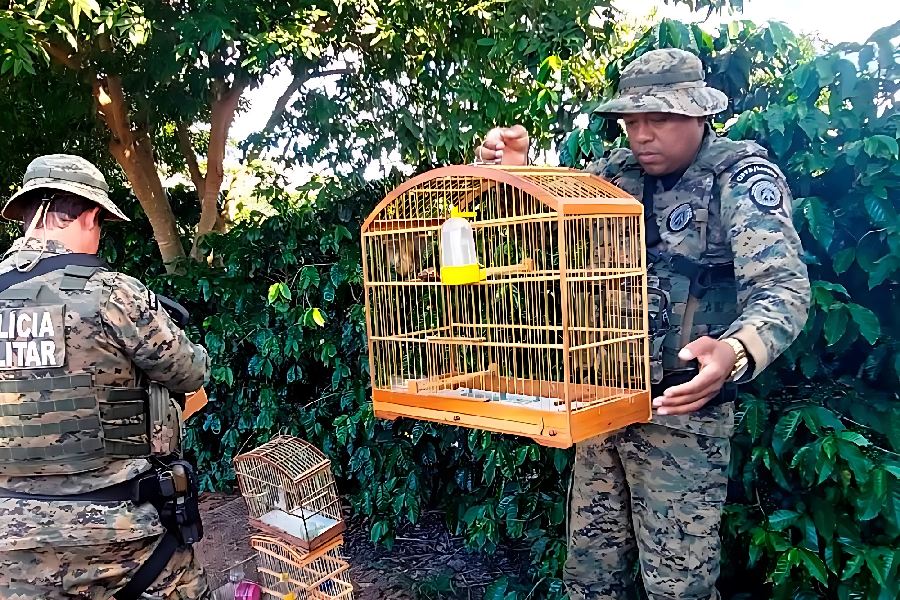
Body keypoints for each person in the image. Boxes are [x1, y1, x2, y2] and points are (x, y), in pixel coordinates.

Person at [475, 48, 810, 599]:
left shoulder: (740, 178)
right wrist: (515, 171)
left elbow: (783, 289)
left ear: (699, 114)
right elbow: (551, 226)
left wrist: (736, 350)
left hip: (682, 416)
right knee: (589, 576)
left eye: (659, 118)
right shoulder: (613, 176)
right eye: (632, 120)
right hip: (602, 404)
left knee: (677, 587)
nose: (641, 135)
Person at [0, 154, 211, 599]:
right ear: (91, 214)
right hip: (125, 541)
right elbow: (190, 372)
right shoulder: (113, 294)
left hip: (11, 553)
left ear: (25, 214)